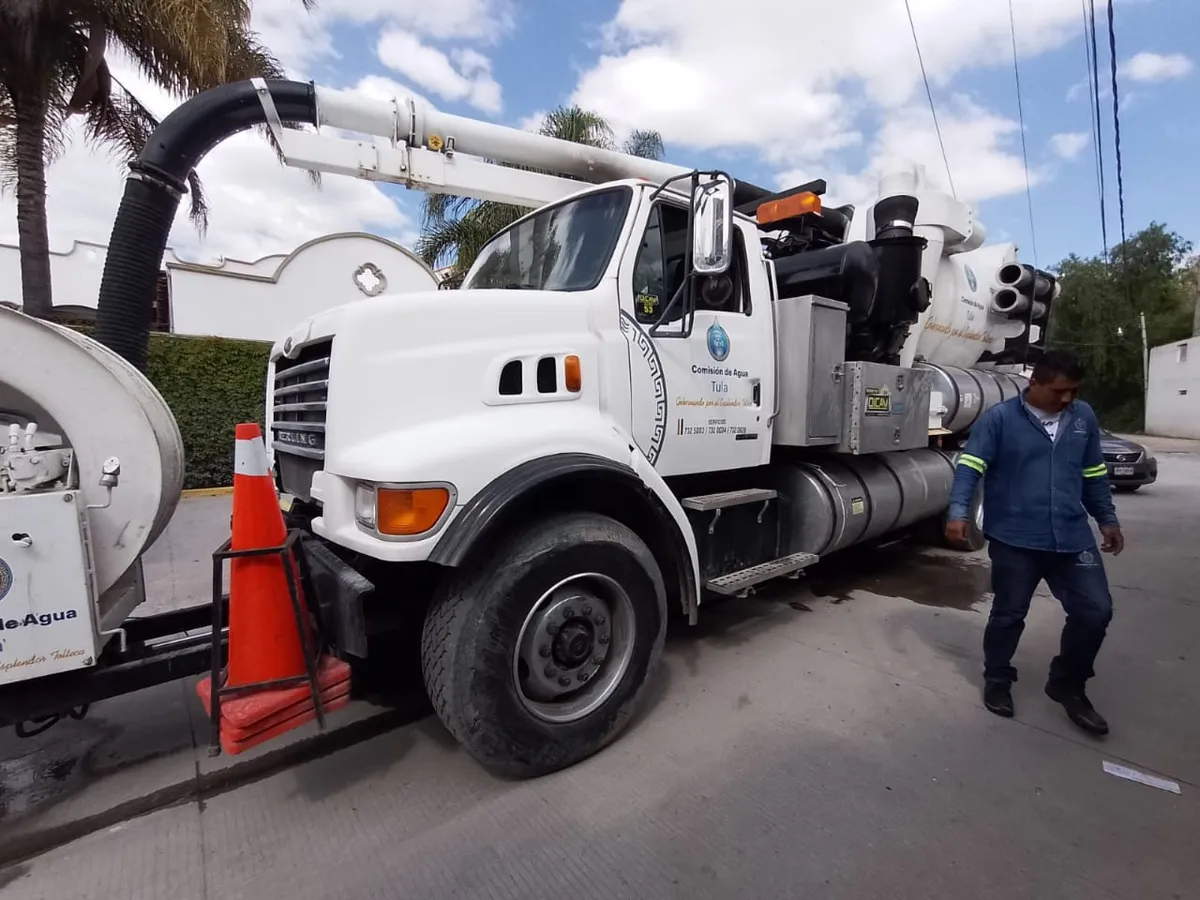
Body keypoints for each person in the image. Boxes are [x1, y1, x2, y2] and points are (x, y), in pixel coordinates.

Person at [945, 349, 1124, 736]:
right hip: (1016, 538)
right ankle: (998, 679)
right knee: (1009, 615)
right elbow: (970, 466)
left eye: (1074, 391)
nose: (1068, 399)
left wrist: (1107, 519)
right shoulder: (1000, 419)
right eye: (1060, 391)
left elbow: (1093, 472)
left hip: (1072, 536)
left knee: (1096, 612)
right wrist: (958, 512)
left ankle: (1068, 684)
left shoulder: (1083, 418)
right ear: (1035, 383)